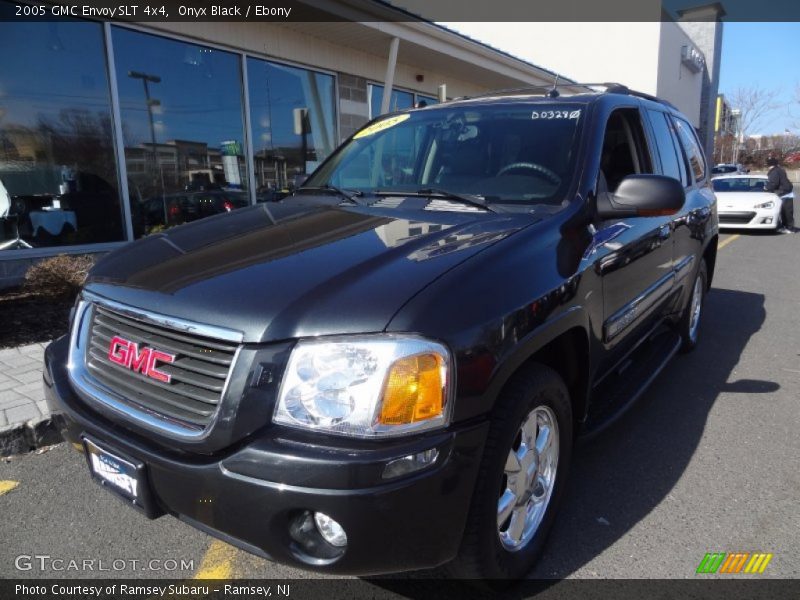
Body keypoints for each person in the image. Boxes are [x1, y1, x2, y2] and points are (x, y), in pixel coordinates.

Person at [764, 155, 795, 233]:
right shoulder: (779, 170)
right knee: (785, 211)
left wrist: (766, 188)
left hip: (784, 193)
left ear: (769, 164)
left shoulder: (774, 172)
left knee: (786, 211)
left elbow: (774, 183)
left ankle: (789, 228)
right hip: (786, 192)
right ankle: (786, 226)